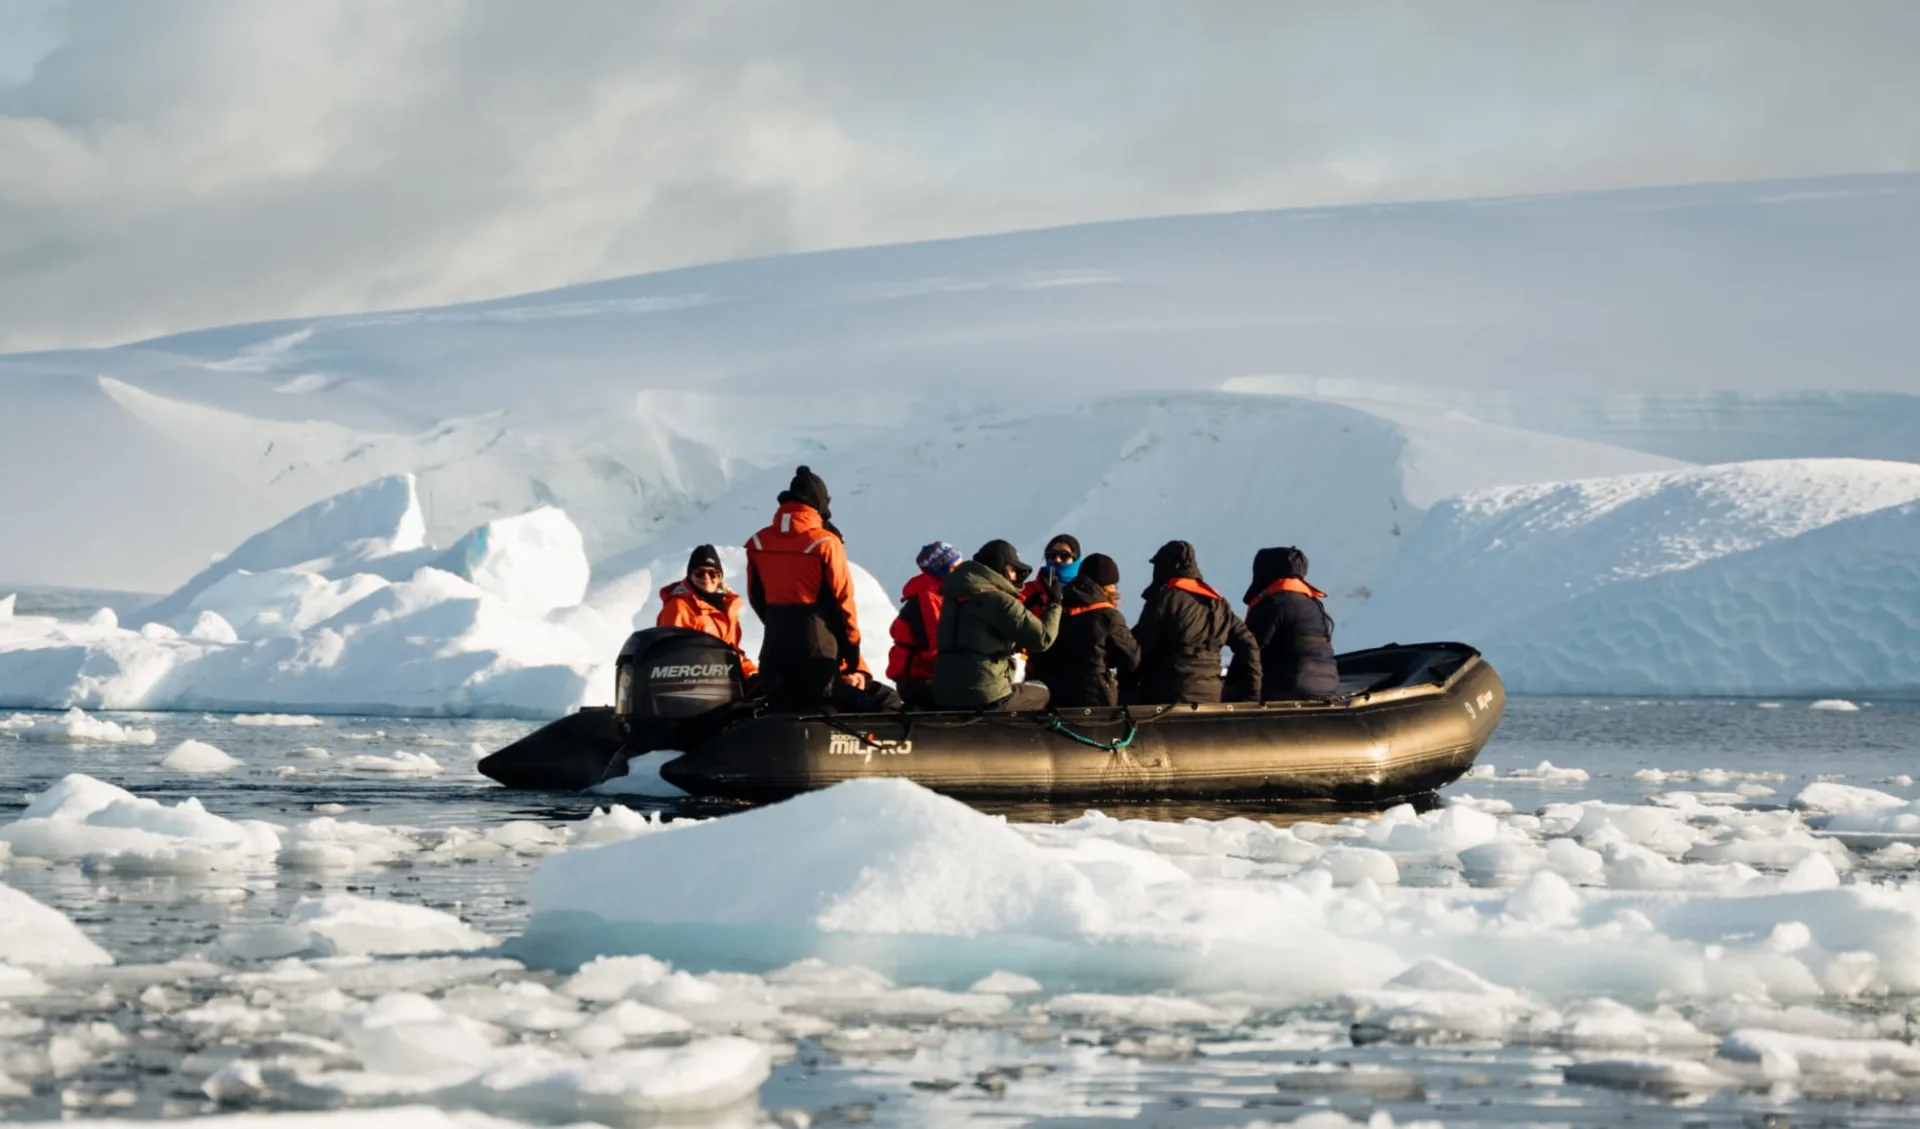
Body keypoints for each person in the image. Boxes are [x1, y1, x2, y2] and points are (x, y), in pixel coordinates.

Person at [745, 466, 869, 710]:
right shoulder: (825, 542)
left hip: (775, 643)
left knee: (781, 712)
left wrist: (778, 622)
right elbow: (843, 599)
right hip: (817, 647)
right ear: (818, 502)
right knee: (822, 716)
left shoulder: (758, 542)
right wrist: (851, 650)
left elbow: (756, 597)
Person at [932, 539, 1062, 711]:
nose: (1015, 577)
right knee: (1041, 692)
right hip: (987, 695)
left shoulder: (953, 598)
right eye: (1013, 570)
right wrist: (1055, 603)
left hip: (945, 693)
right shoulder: (998, 600)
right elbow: (1042, 639)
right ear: (1002, 568)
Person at [1130, 540, 1261, 704]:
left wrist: (1127, 685)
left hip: (1165, 697)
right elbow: (1249, 644)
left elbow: (1138, 649)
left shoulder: (1163, 600)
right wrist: (1252, 693)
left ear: (1167, 566)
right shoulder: (1219, 604)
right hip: (1211, 696)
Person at [1024, 552, 1140, 708]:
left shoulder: (1055, 608)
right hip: (1093, 699)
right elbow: (1131, 660)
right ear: (1109, 586)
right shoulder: (1108, 615)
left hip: (1054, 698)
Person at [1244, 546, 1340, 699]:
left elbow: (1250, 651)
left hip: (1289, 686)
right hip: (1327, 685)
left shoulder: (1273, 603)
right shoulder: (1313, 603)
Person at [655, 544, 758, 678]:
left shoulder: (727, 608)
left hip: (724, 684)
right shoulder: (678, 607)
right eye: (699, 573)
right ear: (690, 576)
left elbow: (734, 654)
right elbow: (671, 655)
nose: (706, 578)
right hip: (695, 687)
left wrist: (751, 673)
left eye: (713, 573)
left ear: (720, 578)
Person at [887, 541, 961, 708]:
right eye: (955, 567)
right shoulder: (927, 598)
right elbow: (935, 648)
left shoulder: (943, 594)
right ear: (942, 571)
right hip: (920, 680)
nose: (963, 572)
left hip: (926, 676)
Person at [1021, 533, 1080, 615]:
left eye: (1064, 555)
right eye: (1051, 555)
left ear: (1076, 559)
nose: (1057, 560)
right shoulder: (1028, 591)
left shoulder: (1087, 594)